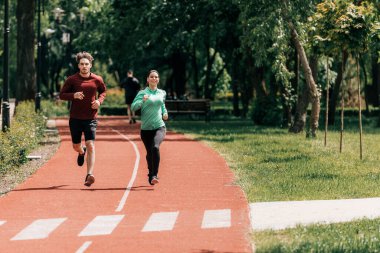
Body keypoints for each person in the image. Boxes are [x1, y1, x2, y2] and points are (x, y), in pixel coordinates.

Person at [59, 51, 106, 187]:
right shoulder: (71, 80)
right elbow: (62, 95)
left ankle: (89, 174)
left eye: (87, 64)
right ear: (78, 66)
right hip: (75, 118)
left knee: (91, 144)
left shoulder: (97, 79)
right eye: (82, 64)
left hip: (91, 118)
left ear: (90, 65)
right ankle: (81, 151)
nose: (84, 66)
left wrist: (99, 101)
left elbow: (103, 91)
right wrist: (73, 95)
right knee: (76, 146)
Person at [131, 70, 168, 185]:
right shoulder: (142, 93)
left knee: (155, 147)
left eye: (156, 77)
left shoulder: (162, 92)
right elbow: (133, 107)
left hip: (159, 126)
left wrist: (165, 113)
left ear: (158, 79)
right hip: (146, 129)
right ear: (148, 79)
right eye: (152, 77)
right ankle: (150, 173)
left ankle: (154, 175)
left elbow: (162, 105)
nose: (154, 79)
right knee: (149, 153)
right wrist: (142, 101)